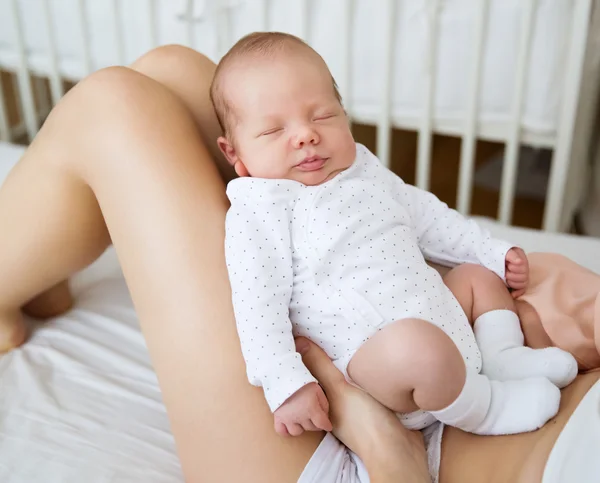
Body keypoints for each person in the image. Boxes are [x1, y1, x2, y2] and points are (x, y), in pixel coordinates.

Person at [0, 42, 597, 483]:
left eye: (323, 117)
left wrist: (379, 441)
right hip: (414, 360)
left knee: (116, 101)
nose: (309, 138)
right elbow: (275, 289)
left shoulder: (349, 177)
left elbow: (416, 218)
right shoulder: (289, 201)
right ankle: (38, 275)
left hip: (359, 455)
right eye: (285, 128)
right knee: (173, 71)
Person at [218, 32, 576, 458]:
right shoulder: (259, 209)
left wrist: (488, 252)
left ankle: (502, 355)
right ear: (234, 153)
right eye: (275, 130)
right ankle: (486, 408)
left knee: (475, 278)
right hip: (378, 358)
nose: (305, 136)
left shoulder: (363, 170)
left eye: (323, 116)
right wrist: (285, 381)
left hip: (441, 317)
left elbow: (426, 216)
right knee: (419, 349)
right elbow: (257, 301)